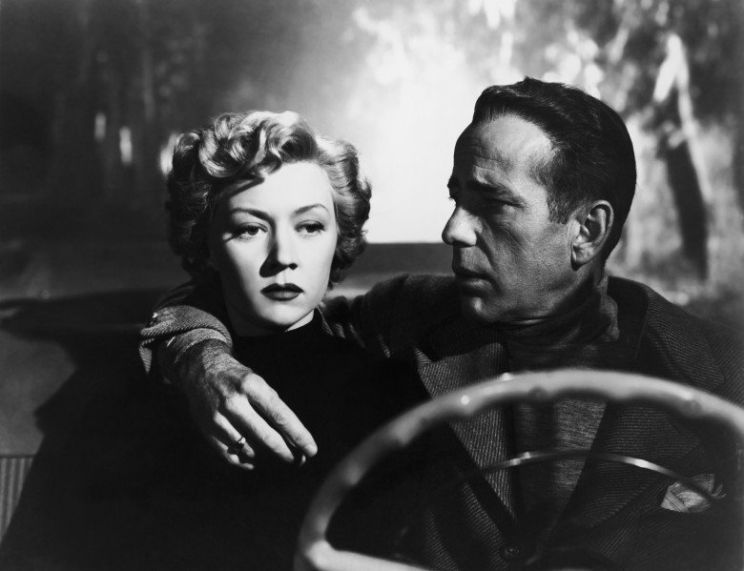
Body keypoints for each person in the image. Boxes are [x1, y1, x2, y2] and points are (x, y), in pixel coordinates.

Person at [141, 79, 744, 569]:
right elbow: (245, 303)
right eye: (456, 199)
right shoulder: (411, 314)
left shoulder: (714, 374)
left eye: (493, 204)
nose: (453, 229)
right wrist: (199, 358)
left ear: (587, 231)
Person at [0, 111, 424, 571]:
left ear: (339, 236)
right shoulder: (119, 387)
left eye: (309, 227)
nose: (284, 257)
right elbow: (35, 556)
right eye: (249, 229)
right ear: (207, 246)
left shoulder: (388, 391)